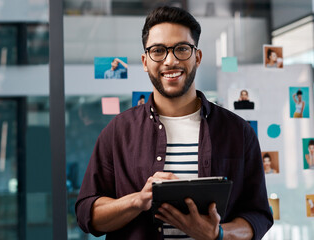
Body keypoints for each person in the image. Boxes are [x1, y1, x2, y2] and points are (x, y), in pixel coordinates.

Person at [76, 6, 273, 240]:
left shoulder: (238, 132)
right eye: (158, 51)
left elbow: (259, 216)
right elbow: (87, 214)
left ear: (197, 57)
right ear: (145, 61)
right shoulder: (118, 132)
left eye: (181, 49)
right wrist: (138, 200)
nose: (170, 61)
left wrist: (217, 234)